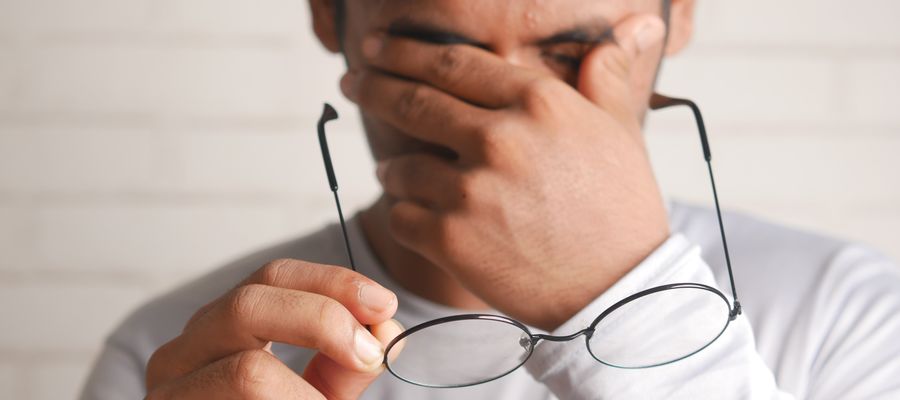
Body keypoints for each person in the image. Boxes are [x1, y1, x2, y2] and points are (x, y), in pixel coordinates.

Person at [79, 0, 900, 399]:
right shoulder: (183, 357)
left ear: (676, 14)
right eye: (436, 54)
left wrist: (623, 292)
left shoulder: (851, 319)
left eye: (573, 49)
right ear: (329, 17)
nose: (514, 115)